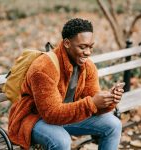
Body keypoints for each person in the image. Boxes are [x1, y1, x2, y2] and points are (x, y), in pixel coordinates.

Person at [8, 18, 124, 150]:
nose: (88, 52)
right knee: (61, 140)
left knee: (113, 125)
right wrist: (92, 103)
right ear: (67, 43)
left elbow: (94, 104)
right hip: (34, 119)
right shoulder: (43, 68)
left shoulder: (87, 66)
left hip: (66, 116)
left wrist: (109, 100)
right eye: (82, 47)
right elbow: (51, 114)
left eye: (91, 46)